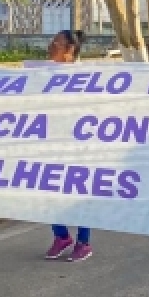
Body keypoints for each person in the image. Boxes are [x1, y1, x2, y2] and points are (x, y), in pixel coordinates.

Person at [44, 30, 94, 262]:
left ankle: (84, 242)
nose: (51, 45)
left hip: (77, 145)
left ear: (70, 50)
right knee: (47, 190)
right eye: (53, 41)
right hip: (50, 142)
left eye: (57, 42)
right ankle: (61, 236)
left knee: (79, 193)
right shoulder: (41, 73)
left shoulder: (84, 76)